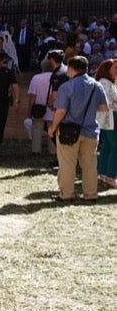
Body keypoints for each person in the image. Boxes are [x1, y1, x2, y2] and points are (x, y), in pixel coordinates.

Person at [48, 56, 108, 202]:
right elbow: (104, 107)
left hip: (69, 131)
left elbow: (61, 111)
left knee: (67, 164)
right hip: (91, 131)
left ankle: (67, 194)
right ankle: (90, 194)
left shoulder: (67, 87)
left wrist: (53, 127)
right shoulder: (97, 85)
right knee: (89, 165)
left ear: (71, 68)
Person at [95, 59, 117, 189]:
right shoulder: (105, 83)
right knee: (114, 147)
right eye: (115, 67)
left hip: (108, 119)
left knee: (108, 146)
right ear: (107, 69)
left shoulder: (108, 83)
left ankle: (103, 173)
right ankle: (110, 176)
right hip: (111, 118)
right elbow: (111, 101)